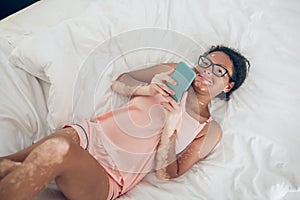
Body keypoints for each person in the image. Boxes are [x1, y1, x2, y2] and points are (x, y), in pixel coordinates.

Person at [0, 45, 250, 200]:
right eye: (205, 62)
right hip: (89, 135)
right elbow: (120, 81)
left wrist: (170, 129)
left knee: (57, 150)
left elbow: (167, 173)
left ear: (228, 85)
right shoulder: (175, 72)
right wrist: (146, 88)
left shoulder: (210, 129)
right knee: (9, 164)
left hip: (109, 175)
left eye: (218, 70)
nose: (206, 70)